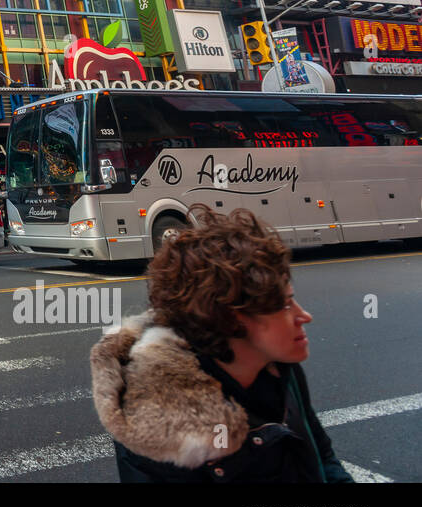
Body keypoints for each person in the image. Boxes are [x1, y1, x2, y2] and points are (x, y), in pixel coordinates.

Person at [90, 206, 353, 483]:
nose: (304, 316)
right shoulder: (161, 427)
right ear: (231, 320)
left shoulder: (277, 364)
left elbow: (321, 456)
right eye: (285, 305)